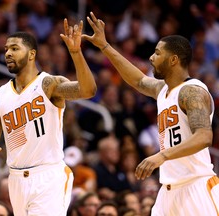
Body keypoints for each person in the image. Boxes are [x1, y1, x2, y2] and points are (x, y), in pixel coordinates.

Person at [82, 12, 219, 216]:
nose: (151, 57)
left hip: (196, 185)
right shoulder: (163, 90)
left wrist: (161, 156)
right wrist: (105, 46)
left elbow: (204, 136)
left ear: (173, 60)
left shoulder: (192, 91)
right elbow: (137, 80)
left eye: (157, 53)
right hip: (168, 190)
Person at [0, 17, 97, 216]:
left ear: (32, 54)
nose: (8, 53)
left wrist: (76, 53)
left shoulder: (48, 84)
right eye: (6, 49)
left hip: (48, 176)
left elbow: (88, 90)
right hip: (16, 179)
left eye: (14, 48)